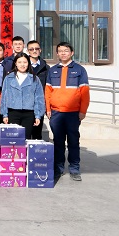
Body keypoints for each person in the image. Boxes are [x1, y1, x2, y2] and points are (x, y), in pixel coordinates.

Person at [45, 42, 90, 182]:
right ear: (57, 53)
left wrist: (83, 111)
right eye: (60, 51)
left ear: (72, 53)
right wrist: (48, 109)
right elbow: (48, 92)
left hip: (73, 113)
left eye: (66, 51)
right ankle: (58, 169)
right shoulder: (52, 70)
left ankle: (74, 169)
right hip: (56, 113)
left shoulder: (80, 70)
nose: (63, 53)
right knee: (58, 141)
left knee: (73, 141)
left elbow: (85, 93)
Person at [0, 53, 45, 140]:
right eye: (19, 62)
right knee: (13, 139)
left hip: (29, 113)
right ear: (15, 63)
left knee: (26, 138)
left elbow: (39, 98)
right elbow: (4, 97)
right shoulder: (9, 78)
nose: (22, 65)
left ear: (28, 63)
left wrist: (38, 115)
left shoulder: (34, 78)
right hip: (13, 112)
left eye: (25, 62)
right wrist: (5, 114)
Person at [28, 40, 49, 140]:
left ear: (40, 50)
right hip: (25, 104)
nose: (34, 51)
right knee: (26, 133)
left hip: (39, 103)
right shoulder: (23, 65)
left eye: (36, 49)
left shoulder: (46, 67)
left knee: (37, 133)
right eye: (31, 49)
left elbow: (48, 87)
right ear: (28, 51)